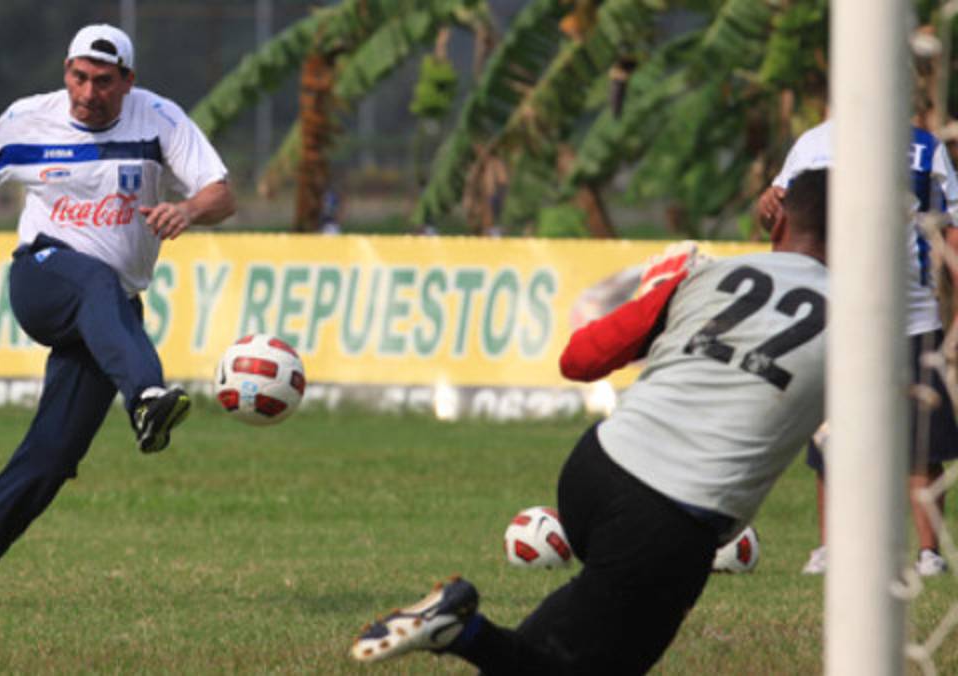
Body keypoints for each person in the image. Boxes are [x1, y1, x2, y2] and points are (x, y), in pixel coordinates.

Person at [351, 169, 830, 673]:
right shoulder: (864, 317)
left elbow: (579, 359)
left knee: (563, 647)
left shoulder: (706, 275)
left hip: (596, 467)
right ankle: (457, 630)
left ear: (775, 223)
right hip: (674, 513)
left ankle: (461, 627)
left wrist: (662, 296)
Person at [0, 24, 236, 606]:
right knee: (94, 277)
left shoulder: (159, 119)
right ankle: (148, 396)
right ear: (66, 71)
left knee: (53, 455)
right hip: (42, 277)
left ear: (127, 82)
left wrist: (186, 209)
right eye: (79, 76)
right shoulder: (30, 118)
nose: (87, 91)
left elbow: (221, 193)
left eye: (103, 81)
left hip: (107, 317)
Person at [758, 117, 958, 577]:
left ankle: (929, 553)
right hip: (835, 315)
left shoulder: (926, 148)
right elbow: (775, 214)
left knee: (922, 442)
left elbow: (950, 228)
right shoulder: (812, 144)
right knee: (830, 437)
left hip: (912, 315)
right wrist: (766, 206)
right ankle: (831, 549)